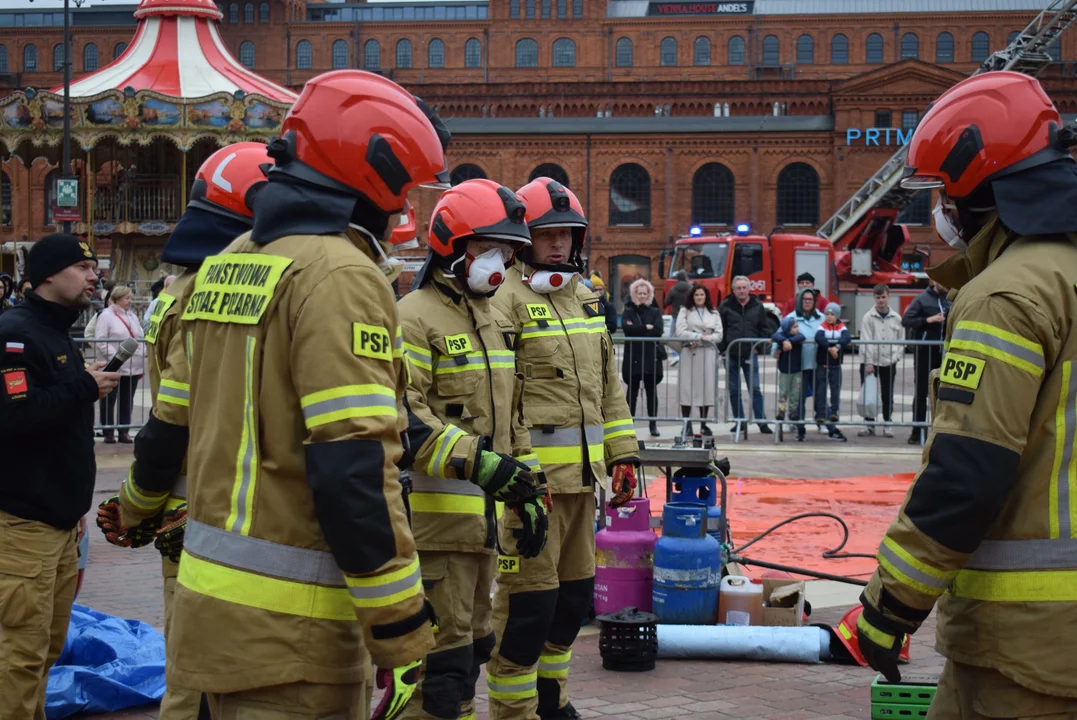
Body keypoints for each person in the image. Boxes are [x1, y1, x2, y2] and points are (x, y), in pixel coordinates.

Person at [160, 70, 450, 719]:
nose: (404, 210)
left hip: (214, 611)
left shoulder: (236, 255)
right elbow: (352, 464)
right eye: (402, 190)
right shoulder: (339, 274)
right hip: (294, 629)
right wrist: (399, 625)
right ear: (369, 170)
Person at [856, 71, 1077, 718]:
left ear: (979, 189)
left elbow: (967, 472)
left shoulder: (1006, 295)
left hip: (1027, 645)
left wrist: (890, 602)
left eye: (942, 195)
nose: (939, 212)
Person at [96, 142, 274, 720]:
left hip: (206, 506)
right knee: (200, 674)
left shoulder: (183, 291)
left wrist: (140, 504)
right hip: (206, 509)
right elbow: (174, 418)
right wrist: (139, 504)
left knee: (209, 663)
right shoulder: (211, 294)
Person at [487, 177, 640, 720]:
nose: (556, 245)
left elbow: (609, 388)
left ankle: (554, 702)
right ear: (522, 239)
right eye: (545, 234)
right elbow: (502, 401)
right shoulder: (502, 301)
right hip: (530, 490)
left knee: (573, 601)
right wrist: (521, 478)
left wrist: (623, 455)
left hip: (584, 484)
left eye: (566, 234)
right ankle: (513, 709)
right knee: (529, 606)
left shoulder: (584, 298)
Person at [398, 179, 544, 720]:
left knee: (474, 649)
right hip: (436, 529)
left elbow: (514, 419)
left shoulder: (493, 319)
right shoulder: (412, 316)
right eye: (489, 249)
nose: (500, 263)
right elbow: (407, 419)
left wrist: (529, 491)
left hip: (483, 530)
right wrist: (481, 464)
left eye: (507, 252)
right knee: (439, 668)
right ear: (452, 246)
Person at [0, 233, 119, 719]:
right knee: (21, 652)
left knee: (46, 647)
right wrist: (84, 387)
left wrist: (75, 511)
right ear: (48, 275)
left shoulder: (54, 331)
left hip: (60, 523)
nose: (95, 276)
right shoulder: (15, 332)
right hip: (23, 524)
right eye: (83, 268)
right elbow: (15, 416)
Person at [718, 275, 771, 435]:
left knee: (755, 388)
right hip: (731, 353)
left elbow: (764, 329)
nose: (741, 291)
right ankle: (739, 421)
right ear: (733, 290)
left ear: (749, 289)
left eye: (744, 288)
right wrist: (723, 349)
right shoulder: (725, 306)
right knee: (734, 390)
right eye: (738, 288)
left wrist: (759, 348)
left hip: (750, 354)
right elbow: (721, 329)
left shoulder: (757, 306)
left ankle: (761, 421)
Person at [94, 284, 145, 444]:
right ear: (117, 298)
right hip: (115, 365)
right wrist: (117, 358)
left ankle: (124, 431)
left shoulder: (133, 316)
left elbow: (140, 336)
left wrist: (142, 352)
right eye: (126, 298)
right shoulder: (106, 316)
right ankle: (108, 431)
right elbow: (101, 340)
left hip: (133, 366)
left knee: (127, 399)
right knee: (109, 399)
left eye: (130, 298)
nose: (130, 301)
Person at [902, 279, 950, 444]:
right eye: (944, 281)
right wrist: (927, 320)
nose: (946, 285)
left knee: (943, 393)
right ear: (935, 281)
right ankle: (917, 431)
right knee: (921, 392)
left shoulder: (951, 300)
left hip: (944, 353)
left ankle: (940, 432)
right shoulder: (922, 299)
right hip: (924, 352)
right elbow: (906, 320)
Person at [675, 283, 722, 437]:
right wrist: (695, 336)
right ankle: (686, 424)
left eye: (702, 295)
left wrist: (704, 339)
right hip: (690, 353)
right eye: (696, 295)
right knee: (686, 388)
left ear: (706, 296)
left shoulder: (714, 312)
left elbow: (719, 334)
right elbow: (680, 331)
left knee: (706, 388)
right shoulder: (685, 311)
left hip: (706, 352)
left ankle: (703, 423)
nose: (699, 297)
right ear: (692, 296)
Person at [858, 284, 904, 437]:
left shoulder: (896, 318)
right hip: (871, 362)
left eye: (883, 297)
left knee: (887, 393)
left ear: (888, 297)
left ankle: (887, 422)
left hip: (888, 361)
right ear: (874, 298)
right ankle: (869, 423)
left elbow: (901, 340)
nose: (880, 300)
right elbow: (866, 340)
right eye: (877, 297)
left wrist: (896, 357)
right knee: (869, 393)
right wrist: (869, 362)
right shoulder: (868, 317)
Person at [621, 278, 664, 438]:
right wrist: (645, 327)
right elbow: (627, 329)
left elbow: (658, 330)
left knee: (651, 391)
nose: (642, 296)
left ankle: (653, 424)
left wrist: (638, 329)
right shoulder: (629, 310)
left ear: (649, 294)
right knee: (631, 392)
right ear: (634, 294)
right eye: (639, 293)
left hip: (650, 356)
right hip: (633, 356)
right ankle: (628, 423)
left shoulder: (655, 311)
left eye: (645, 293)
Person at [785, 287, 824, 436]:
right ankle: (798, 425)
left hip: (818, 364)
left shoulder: (821, 318)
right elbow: (779, 337)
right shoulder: (790, 318)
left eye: (810, 300)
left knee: (820, 395)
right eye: (804, 299)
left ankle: (822, 423)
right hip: (798, 365)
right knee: (798, 397)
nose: (807, 302)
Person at [814, 302, 850, 442]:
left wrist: (838, 346)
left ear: (837, 316)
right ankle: (822, 414)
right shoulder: (822, 326)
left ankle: (834, 412)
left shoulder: (841, 327)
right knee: (821, 389)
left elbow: (846, 337)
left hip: (835, 365)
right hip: (823, 363)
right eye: (827, 314)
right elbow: (819, 337)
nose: (829, 317)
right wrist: (830, 347)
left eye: (832, 314)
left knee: (835, 388)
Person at [771, 315, 806, 440]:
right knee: (783, 392)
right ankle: (781, 410)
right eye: (794, 327)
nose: (797, 329)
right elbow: (775, 335)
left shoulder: (798, 338)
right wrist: (784, 341)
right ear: (787, 329)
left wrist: (789, 341)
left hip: (796, 371)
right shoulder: (782, 338)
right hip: (785, 371)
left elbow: (802, 337)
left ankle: (793, 411)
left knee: (795, 392)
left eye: (797, 326)